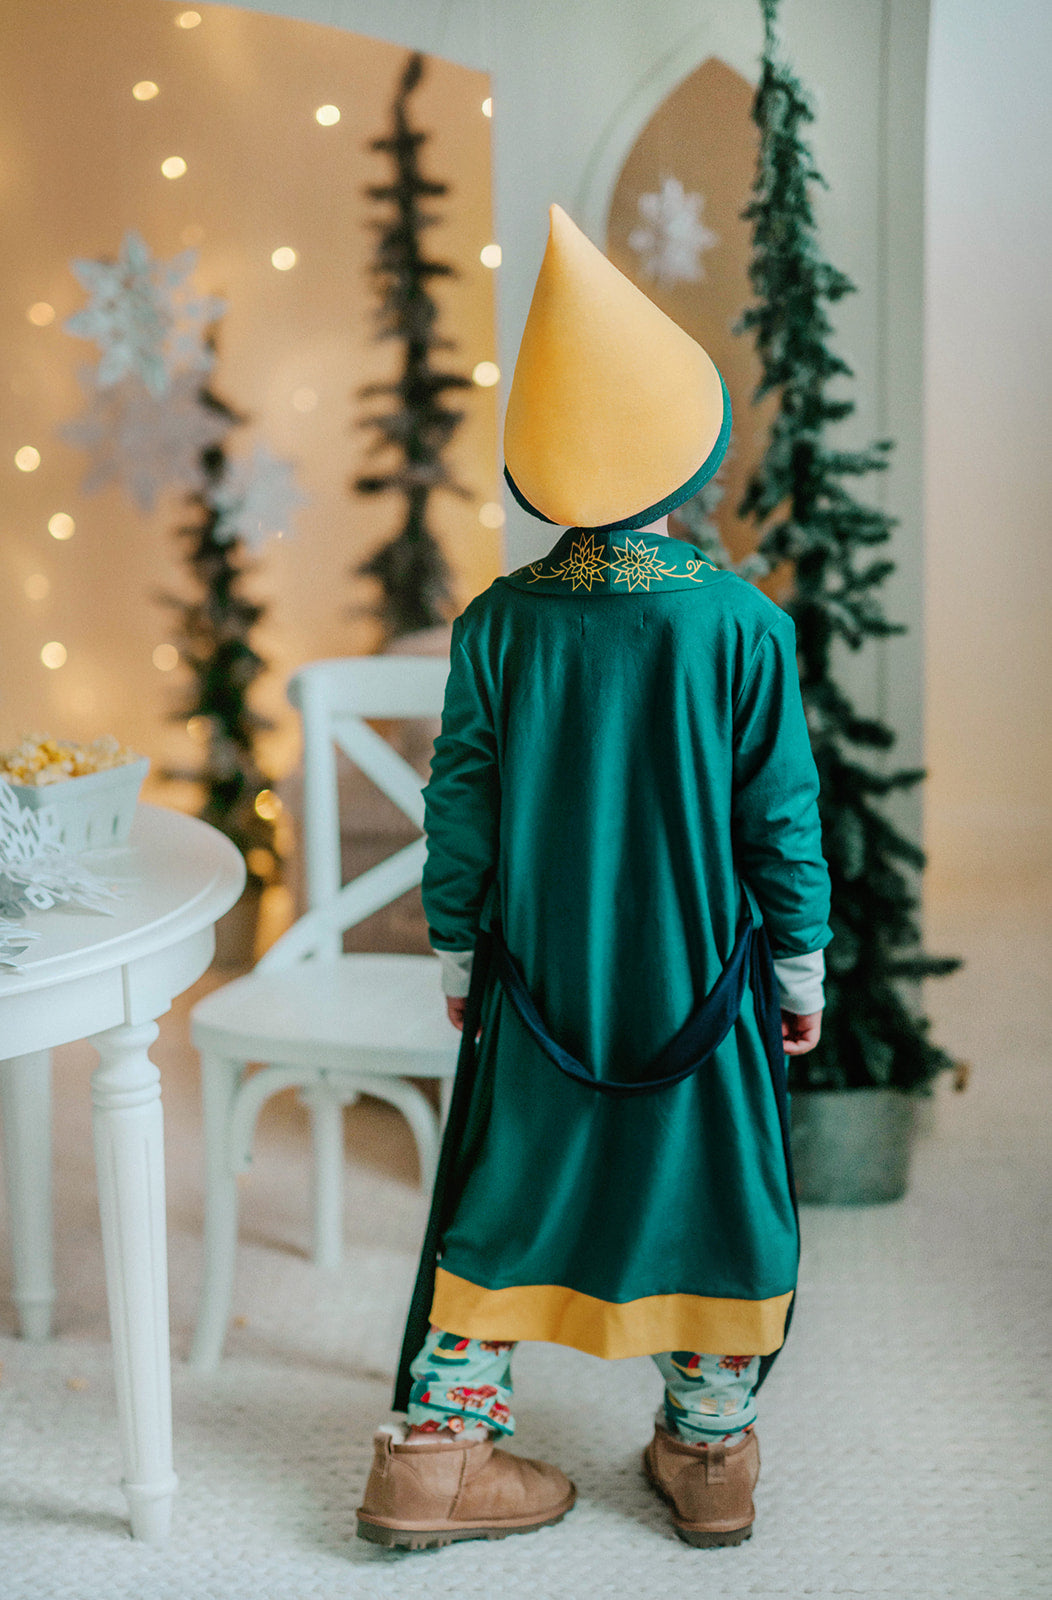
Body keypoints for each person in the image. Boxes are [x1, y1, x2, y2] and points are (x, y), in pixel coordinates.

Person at [356, 204, 832, 1551]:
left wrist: (459, 951)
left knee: (507, 1187)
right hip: (708, 985)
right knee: (710, 1189)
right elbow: (779, 826)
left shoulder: (499, 625)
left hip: (540, 988)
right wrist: (797, 964)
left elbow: (463, 803)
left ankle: (439, 1455)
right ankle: (710, 1453)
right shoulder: (743, 626)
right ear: (691, 459)